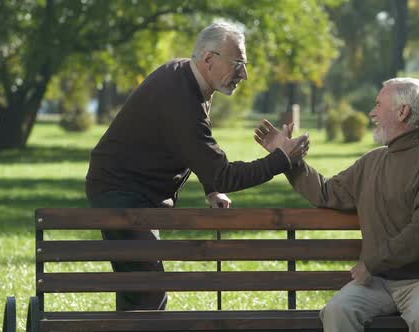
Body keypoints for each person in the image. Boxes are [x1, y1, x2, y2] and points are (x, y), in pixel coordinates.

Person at [85, 22, 309, 311]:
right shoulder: (181, 97)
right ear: (208, 59)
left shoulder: (189, 80)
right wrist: (281, 158)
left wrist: (211, 188)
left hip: (132, 193)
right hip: (120, 193)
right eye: (238, 63)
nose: (245, 74)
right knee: (149, 289)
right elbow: (224, 174)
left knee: (139, 287)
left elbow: (193, 148)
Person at [255, 78, 419, 332]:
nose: (372, 113)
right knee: (336, 312)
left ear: (402, 111)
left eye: (378, 105)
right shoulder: (373, 161)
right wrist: (288, 159)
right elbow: (326, 192)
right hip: (379, 281)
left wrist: (372, 263)